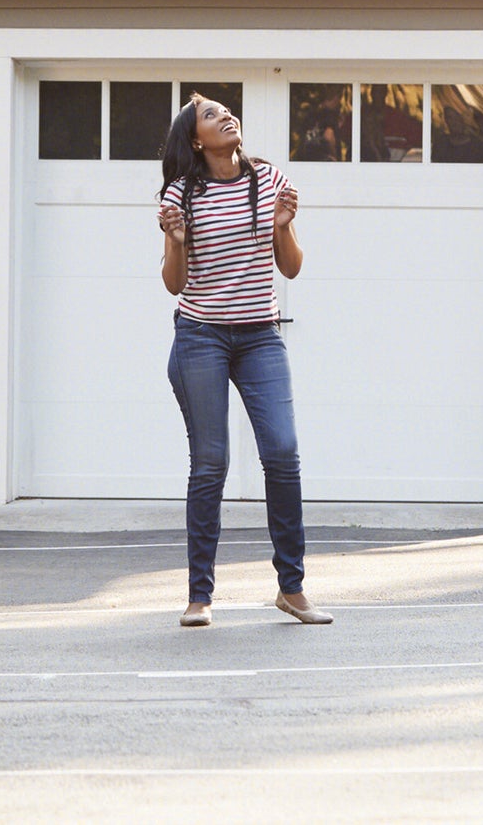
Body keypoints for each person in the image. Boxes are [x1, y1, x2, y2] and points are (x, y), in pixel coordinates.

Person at [158, 94, 332, 628]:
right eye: (211, 115)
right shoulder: (181, 193)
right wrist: (176, 240)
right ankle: (199, 596)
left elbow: (293, 268)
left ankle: (292, 588)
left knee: (282, 451)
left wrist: (282, 225)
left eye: (226, 110)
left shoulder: (270, 179)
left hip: (260, 335)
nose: (225, 116)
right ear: (195, 140)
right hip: (200, 337)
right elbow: (174, 284)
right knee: (211, 464)